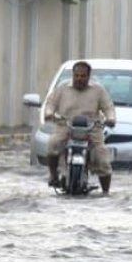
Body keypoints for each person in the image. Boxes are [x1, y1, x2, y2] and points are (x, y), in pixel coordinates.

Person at [44, 61, 116, 192]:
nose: (79, 79)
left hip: (91, 128)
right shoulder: (62, 88)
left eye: (83, 76)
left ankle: (106, 191)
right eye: (76, 75)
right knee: (52, 144)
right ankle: (53, 175)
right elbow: (50, 104)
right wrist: (49, 114)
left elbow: (108, 107)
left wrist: (110, 118)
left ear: (88, 76)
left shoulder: (98, 90)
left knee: (102, 158)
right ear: (73, 75)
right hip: (65, 125)